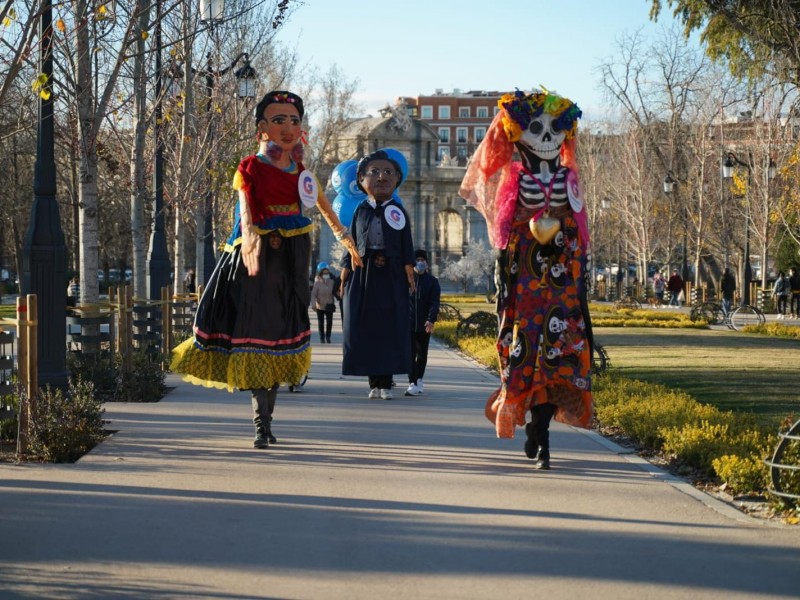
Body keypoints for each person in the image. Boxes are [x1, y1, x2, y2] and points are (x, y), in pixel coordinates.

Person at [170, 90, 360, 449]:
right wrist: (252, 240)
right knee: (256, 332)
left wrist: (345, 238)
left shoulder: (302, 171)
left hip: (293, 254)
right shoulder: (251, 167)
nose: (288, 128)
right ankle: (261, 424)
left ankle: (267, 422)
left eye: (294, 121)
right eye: (278, 120)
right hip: (257, 255)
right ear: (262, 128)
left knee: (282, 333)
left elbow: (323, 207)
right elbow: (245, 207)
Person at [459, 89, 593, 470]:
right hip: (525, 284)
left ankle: (542, 432)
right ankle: (536, 430)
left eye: (555, 127)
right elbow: (504, 233)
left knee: (559, 356)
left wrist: (573, 266)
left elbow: (578, 233)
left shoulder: (570, 178)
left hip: (561, 283)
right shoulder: (515, 177)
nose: (547, 136)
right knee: (525, 354)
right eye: (536, 127)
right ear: (515, 132)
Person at [340, 149, 415, 401]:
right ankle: (373, 382)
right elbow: (350, 241)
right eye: (374, 172)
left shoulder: (398, 211)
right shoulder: (360, 210)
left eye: (388, 172)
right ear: (361, 180)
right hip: (364, 272)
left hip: (392, 273)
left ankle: (386, 383)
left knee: (389, 328)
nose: (381, 177)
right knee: (366, 328)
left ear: (396, 179)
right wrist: (345, 270)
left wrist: (409, 268)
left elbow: (406, 242)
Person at [406, 249, 441, 397]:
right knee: (409, 354)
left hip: (424, 324)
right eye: (418, 259)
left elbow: (435, 303)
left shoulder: (432, 282)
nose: (420, 262)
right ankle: (412, 382)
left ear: (426, 263)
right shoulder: (406, 279)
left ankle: (419, 379)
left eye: (423, 260)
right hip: (408, 323)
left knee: (422, 355)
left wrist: (431, 319)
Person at [310, 262, 336, 343]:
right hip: (320, 306)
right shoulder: (317, 283)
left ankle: (328, 336)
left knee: (329, 322)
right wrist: (314, 304)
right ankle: (322, 337)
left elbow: (335, 292)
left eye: (327, 273)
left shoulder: (332, 282)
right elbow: (313, 294)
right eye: (324, 273)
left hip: (329, 305)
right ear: (321, 273)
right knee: (321, 323)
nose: (326, 274)